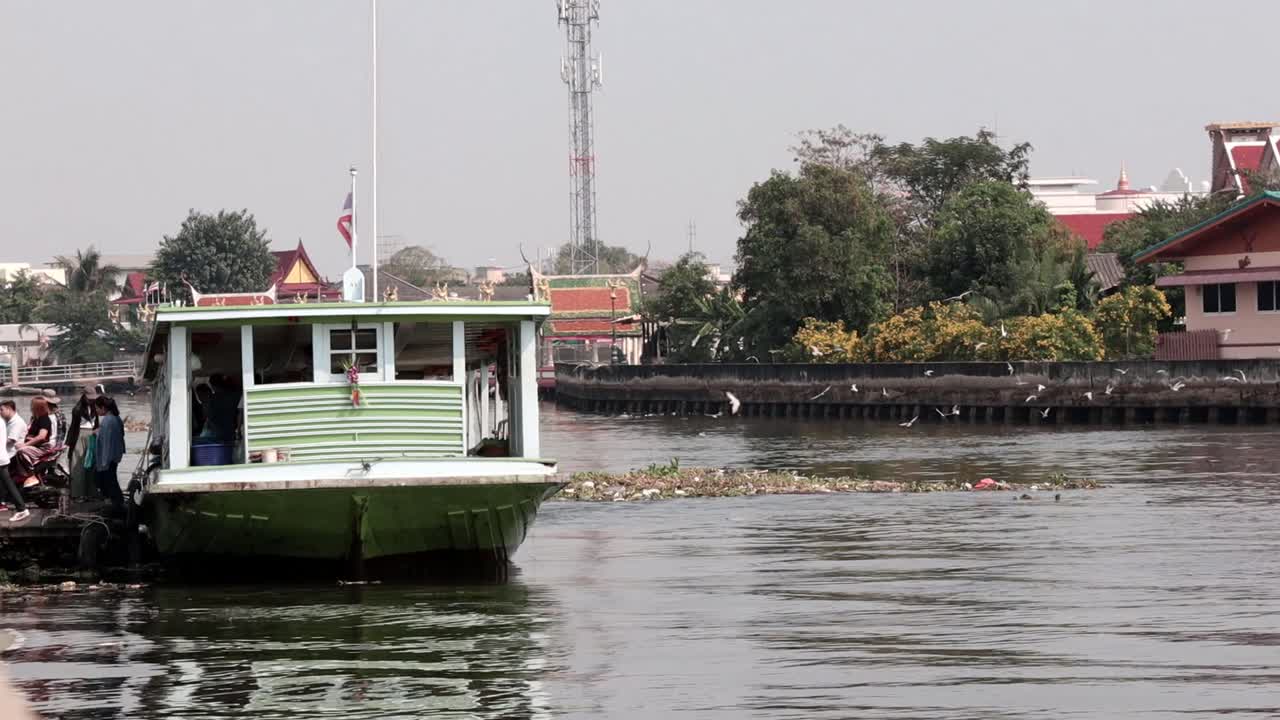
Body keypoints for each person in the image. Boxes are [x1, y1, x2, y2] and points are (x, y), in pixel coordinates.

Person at [93, 396, 125, 510]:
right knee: (112, 480)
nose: (96, 411)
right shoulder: (116, 418)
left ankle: (115, 504)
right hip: (115, 454)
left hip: (108, 456)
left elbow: (107, 442)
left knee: (107, 481)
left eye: (97, 408)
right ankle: (117, 502)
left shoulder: (107, 421)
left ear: (103, 408)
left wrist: (104, 461)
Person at [12, 396, 53, 480]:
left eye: (32, 405)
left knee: (20, 450)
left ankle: (29, 472)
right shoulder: (35, 419)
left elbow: (42, 436)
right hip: (34, 445)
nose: (30, 407)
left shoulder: (44, 419)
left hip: (42, 448)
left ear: (37, 407)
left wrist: (25, 444)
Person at [0, 407, 30, 523]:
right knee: (6, 483)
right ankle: (19, 508)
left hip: (1, 458)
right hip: (3, 456)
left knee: (8, 483)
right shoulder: (2, 421)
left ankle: (22, 508)